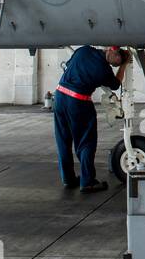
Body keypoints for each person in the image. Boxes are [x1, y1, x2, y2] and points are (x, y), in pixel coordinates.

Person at [54, 45, 128, 192]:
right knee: (86, 142)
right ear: (112, 50)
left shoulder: (84, 50)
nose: (115, 64)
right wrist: (125, 66)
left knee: (63, 140)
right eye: (117, 60)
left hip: (60, 96)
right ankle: (87, 181)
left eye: (118, 64)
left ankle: (68, 178)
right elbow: (115, 84)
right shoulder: (104, 69)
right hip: (78, 101)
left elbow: (69, 65)